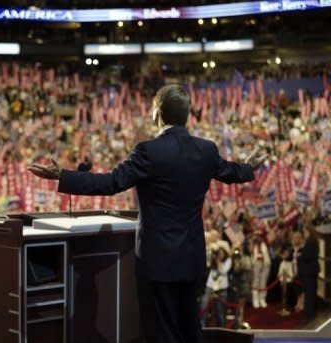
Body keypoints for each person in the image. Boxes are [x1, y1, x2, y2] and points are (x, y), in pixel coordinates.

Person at [28, 84, 267, 342]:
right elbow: (230, 172)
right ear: (187, 115)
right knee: (190, 330)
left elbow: (111, 183)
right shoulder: (206, 150)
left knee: (160, 332)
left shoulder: (149, 151)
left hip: (158, 260)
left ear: (157, 114)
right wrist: (248, 168)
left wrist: (62, 176)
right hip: (192, 257)